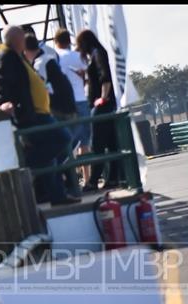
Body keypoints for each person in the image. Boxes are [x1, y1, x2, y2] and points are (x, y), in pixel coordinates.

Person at [0, 35, 79, 205]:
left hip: (32, 115)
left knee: (60, 143)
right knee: (58, 146)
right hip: (30, 116)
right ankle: (53, 193)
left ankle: (31, 171)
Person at [24, 33, 80, 196]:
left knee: (54, 151)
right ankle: (67, 186)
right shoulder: (47, 58)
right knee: (61, 151)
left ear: (25, 50)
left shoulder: (40, 64)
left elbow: (41, 89)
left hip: (60, 111)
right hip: (68, 109)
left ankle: (60, 188)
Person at [76, 29, 120, 191]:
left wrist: (103, 97)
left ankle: (94, 180)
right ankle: (112, 178)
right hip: (104, 104)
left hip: (102, 106)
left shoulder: (97, 53)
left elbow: (105, 76)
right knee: (111, 143)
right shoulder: (96, 53)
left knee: (98, 144)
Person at [54, 28, 92, 186]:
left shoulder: (55, 58)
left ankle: (71, 179)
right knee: (84, 143)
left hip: (65, 104)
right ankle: (88, 178)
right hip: (81, 99)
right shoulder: (79, 57)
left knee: (67, 142)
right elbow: (86, 79)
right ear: (69, 40)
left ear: (56, 41)